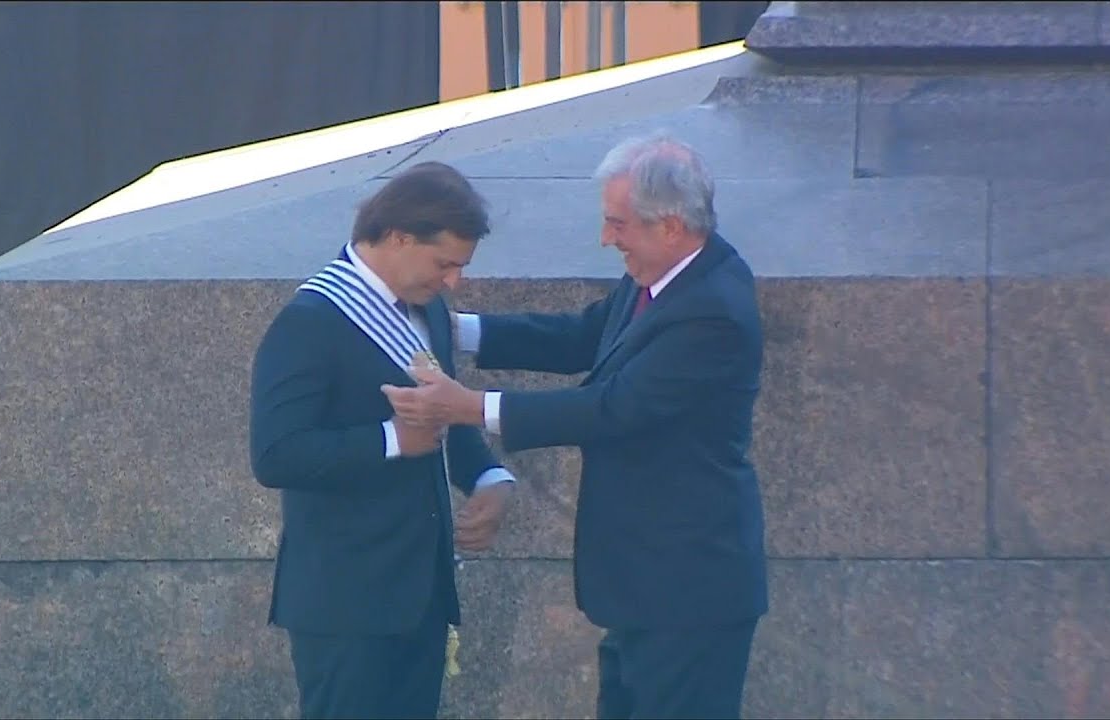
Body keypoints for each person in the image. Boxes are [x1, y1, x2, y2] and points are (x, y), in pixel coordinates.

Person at [382, 134, 767, 720]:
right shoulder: (662, 274)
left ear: (670, 227)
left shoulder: (713, 309)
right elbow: (585, 336)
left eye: (618, 224)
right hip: (646, 587)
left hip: (686, 593)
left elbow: (612, 409)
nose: (606, 238)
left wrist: (469, 407)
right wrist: (455, 329)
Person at [248, 161, 516, 720]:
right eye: (444, 263)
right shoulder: (310, 320)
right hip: (345, 604)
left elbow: (442, 416)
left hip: (420, 597)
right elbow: (276, 453)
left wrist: (489, 476)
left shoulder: (429, 310)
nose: (453, 282)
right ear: (399, 237)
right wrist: (391, 439)